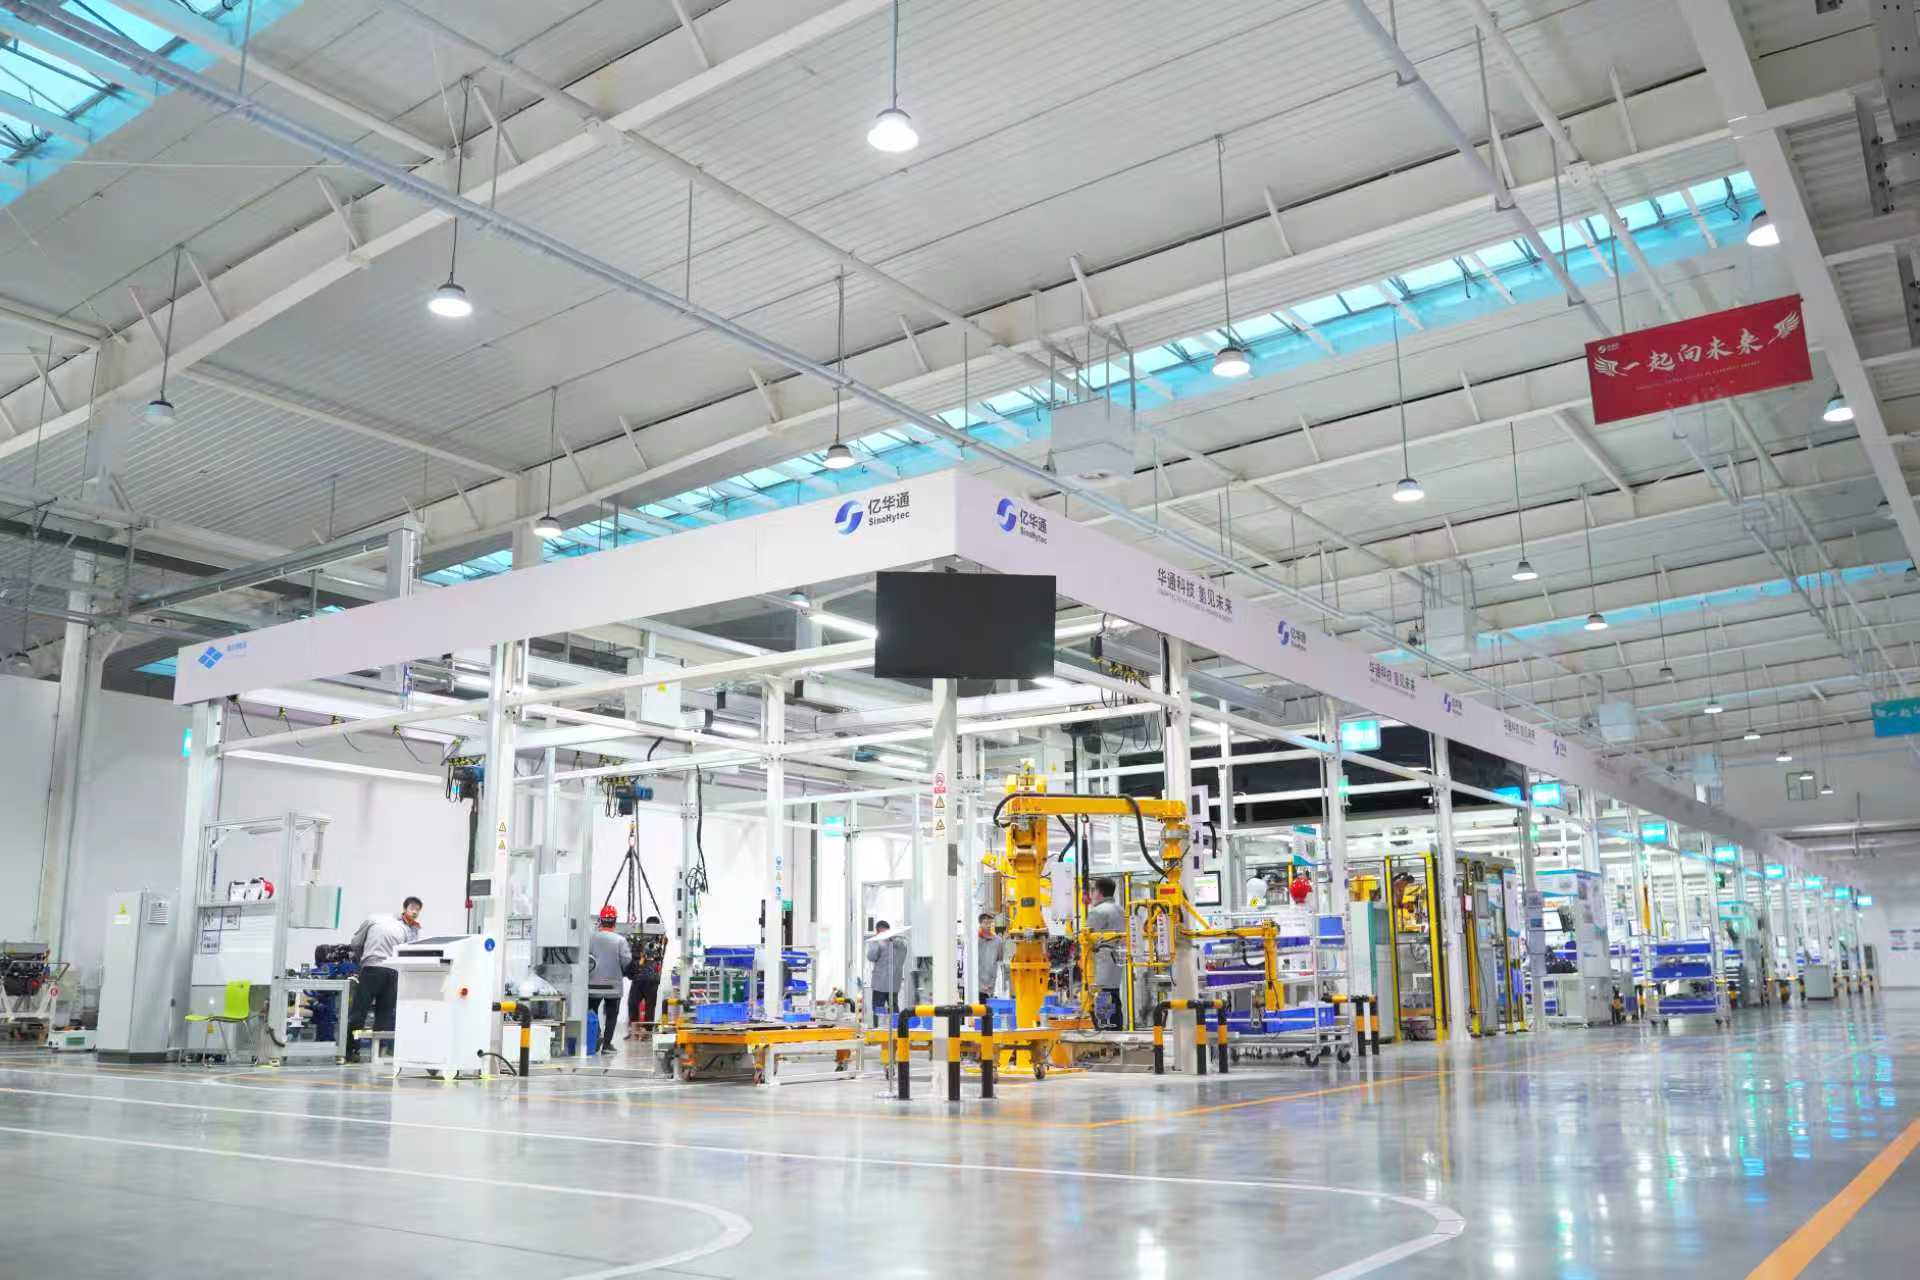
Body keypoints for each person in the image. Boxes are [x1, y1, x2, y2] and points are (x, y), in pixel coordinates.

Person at [344, 895, 421, 1063]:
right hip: (392, 973)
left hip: (371, 970)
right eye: (413, 909)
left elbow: (355, 943)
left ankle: (351, 1051)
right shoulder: (408, 929)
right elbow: (411, 953)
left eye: (417, 910)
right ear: (405, 909)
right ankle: (378, 1053)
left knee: (359, 1012)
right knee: (384, 1014)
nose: (415, 912)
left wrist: (361, 960)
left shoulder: (373, 920)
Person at [587, 905, 632, 1054]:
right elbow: (626, 961)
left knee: (591, 1012)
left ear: (601, 920)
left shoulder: (591, 938)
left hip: (592, 984)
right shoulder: (620, 941)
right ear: (614, 921)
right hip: (613, 986)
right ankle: (606, 1044)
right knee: (611, 1015)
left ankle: (595, 1036)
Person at [1086, 878, 1126, 1030]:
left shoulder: (1098, 912)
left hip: (1100, 965)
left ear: (1099, 892)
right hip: (1116, 963)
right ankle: (1115, 1030)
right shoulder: (1120, 910)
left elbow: (1086, 939)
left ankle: (1106, 1032)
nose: (1091, 895)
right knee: (1113, 997)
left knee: (1103, 997)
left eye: (1093, 890)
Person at [625, 916, 663, 1040]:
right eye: (648, 927)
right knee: (632, 1003)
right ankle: (634, 1030)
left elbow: (655, 950)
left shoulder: (659, 941)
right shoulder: (640, 939)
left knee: (650, 1007)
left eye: (654, 927)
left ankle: (647, 1032)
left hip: (652, 979)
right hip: (638, 978)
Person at [866, 921, 908, 1026]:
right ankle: (896, 1029)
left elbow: (871, 957)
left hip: (880, 983)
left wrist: (874, 942)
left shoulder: (879, 942)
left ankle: (878, 1030)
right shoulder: (902, 943)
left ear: (878, 930)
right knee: (894, 1008)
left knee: (878, 1009)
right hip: (895, 983)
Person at [974, 913, 1005, 1004]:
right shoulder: (974, 940)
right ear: (980, 923)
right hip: (976, 984)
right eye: (985, 922)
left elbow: (1000, 959)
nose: (988, 925)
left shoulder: (998, 941)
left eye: (990, 923)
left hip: (990, 986)